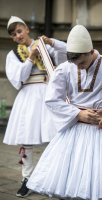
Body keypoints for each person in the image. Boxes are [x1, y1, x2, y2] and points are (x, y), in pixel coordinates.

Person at [27, 24, 102, 200]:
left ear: (91, 51)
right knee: (68, 179)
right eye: (75, 63)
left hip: (100, 132)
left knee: (98, 179)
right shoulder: (66, 67)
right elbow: (52, 99)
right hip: (72, 131)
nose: (79, 67)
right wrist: (78, 113)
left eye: (82, 62)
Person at [3, 16, 67, 198]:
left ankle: (50, 178)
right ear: (12, 38)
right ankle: (27, 179)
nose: (17, 35)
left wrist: (52, 42)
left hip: (48, 94)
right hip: (28, 95)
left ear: (27, 29)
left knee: (53, 137)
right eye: (14, 34)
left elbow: (65, 56)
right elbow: (20, 79)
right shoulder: (13, 55)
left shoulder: (44, 46)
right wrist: (31, 57)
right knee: (27, 138)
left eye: (19, 31)